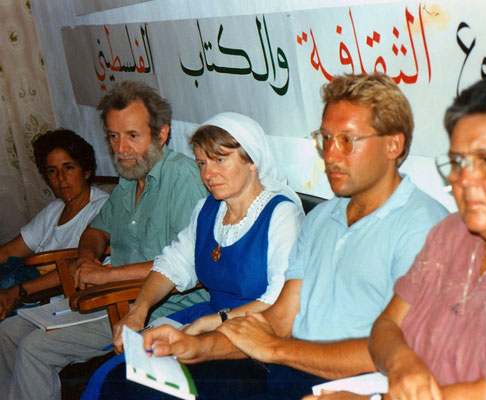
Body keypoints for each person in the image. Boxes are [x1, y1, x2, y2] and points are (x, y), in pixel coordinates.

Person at [107, 73, 448, 400]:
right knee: (127, 384)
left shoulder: (425, 227)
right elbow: (281, 318)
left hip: (353, 385)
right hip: (288, 368)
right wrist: (198, 346)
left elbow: (403, 346)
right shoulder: (323, 220)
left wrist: (272, 348)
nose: (329, 155)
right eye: (325, 139)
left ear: (393, 144)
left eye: (347, 141)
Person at [313, 76, 486, 400]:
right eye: (458, 162)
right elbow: (385, 328)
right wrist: (401, 363)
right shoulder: (451, 233)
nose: (464, 180)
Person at [0, 81, 209, 400]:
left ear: (161, 134)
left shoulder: (183, 179)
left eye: (132, 136)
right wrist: (87, 258)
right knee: (7, 333)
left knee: (33, 349)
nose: (121, 149)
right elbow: (96, 231)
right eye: (114, 137)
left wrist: (106, 274)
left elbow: (188, 262)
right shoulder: (130, 177)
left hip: (161, 308)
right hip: (113, 298)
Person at [84, 112, 305, 398]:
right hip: (211, 321)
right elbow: (172, 263)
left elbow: (279, 301)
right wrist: (138, 311)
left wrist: (210, 323)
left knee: (154, 389)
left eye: (219, 160)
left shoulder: (281, 215)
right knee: (114, 375)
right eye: (202, 163)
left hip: (259, 341)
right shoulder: (207, 210)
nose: (207, 174)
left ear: (252, 161)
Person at [0, 129, 109, 319]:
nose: (60, 178)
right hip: (29, 292)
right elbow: (9, 252)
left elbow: (80, 265)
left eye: (68, 167)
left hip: (59, 301)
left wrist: (17, 292)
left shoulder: (102, 209)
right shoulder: (55, 209)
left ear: (86, 171)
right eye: (52, 171)